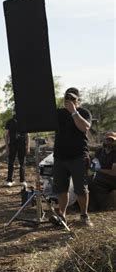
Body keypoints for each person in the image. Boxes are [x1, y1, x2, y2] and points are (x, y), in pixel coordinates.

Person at [52, 87, 93, 227]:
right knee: (61, 189)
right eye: (67, 98)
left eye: (72, 99)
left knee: (81, 188)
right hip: (60, 157)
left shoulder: (83, 112)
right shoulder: (58, 113)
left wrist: (73, 112)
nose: (69, 101)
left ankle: (84, 216)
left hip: (78, 156)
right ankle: (62, 215)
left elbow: (84, 128)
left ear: (78, 100)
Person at [89, 131, 116, 210]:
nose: (109, 142)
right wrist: (90, 171)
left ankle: (103, 206)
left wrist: (98, 170)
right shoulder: (99, 151)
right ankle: (92, 205)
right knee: (87, 180)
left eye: (112, 140)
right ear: (104, 140)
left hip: (113, 178)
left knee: (96, 181)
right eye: (108, 140)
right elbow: (94, 164)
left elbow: (114, 172)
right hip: (102, 176)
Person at [4, 114, 30, 188]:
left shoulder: (24, 121)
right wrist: (6, 146)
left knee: (22, 163)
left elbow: (28, 135)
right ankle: (9, 180)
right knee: (11, 162)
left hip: (22, 145)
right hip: (12, 144)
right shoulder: (9, 121)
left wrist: (28, 146)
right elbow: (6, 135)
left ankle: (23, 180)